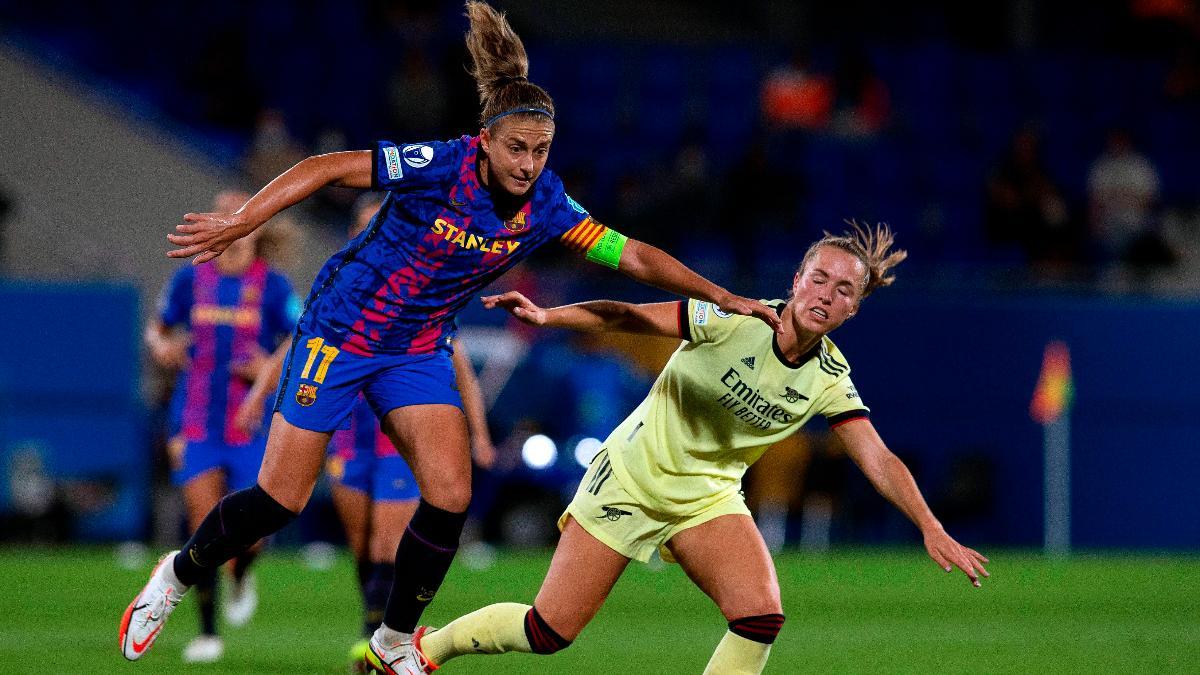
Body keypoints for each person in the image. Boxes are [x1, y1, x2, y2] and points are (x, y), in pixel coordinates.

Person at [119, 2, 780, 668]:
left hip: (416, 345)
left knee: (450, 493)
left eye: (541, 150)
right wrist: (244, 223)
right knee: (280, 498)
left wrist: (721, 295)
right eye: (516, 147)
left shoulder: (548, 204)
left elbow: (632, 255)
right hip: (341, 330)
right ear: (486, 140)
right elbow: (327, 167)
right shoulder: (439, 164)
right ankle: (176, 574)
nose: (527, 163)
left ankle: (394, 640)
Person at [408, 223, 989, 675]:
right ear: (796, 279)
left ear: (853, 309)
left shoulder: (831, 377)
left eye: (844, 289)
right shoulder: (734, 320)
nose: (826, 294)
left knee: (759, 617)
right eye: (819, 278)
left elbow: (878, 459)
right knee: (549, 632)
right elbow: (631, 316)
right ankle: (426, 649)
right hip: (631, 479)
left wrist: (930, 526)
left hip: (706, 498)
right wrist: (548, 316)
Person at [234, 194, 497, 671]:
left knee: (387, 545)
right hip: (349, 438)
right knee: (362, 546)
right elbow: (299, 343)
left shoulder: (421, 289)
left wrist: (477, 434)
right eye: (362, 223)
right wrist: (258, 396)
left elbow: (460, 370)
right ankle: (373, 628)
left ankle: (380, 643)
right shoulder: (340, 284)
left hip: (393, 436)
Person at [143, 190, 299, 663]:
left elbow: (301, 335)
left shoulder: (273, 286)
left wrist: (269, 367)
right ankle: (208, 634)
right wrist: (159, 345)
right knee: (202, 525)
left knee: (254, 531)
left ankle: (243, 570)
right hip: (195, 420)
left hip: (249, 423)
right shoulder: (192, 279)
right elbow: (158, 326)